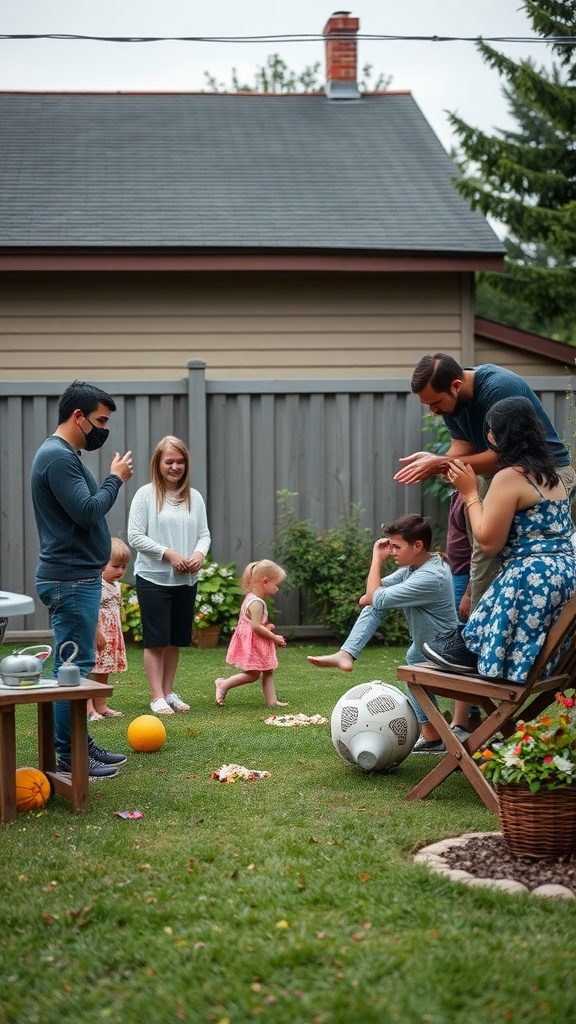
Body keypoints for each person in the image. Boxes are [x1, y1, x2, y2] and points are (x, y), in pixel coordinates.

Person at [394, 354, 576, 609]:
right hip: (506, 470)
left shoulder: (499, 388)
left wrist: (444, 464)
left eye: (435, 402)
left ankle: (479, 618)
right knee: (479, 536)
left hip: (545, 471)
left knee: (487, 545)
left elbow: (503, 454)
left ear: (456, 386)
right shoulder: (452, 402)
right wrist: (438, 462)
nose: (433, 410)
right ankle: (485, 605)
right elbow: (462, 448)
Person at [423, 397, 576, 681]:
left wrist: (470, 493)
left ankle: (478, 654)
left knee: (461, 652)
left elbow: (488, 543)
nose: (488, 435)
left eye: (491, 430)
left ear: (500, 435)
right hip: (566, 576)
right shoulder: (553, 476)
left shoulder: (510, 477)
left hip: (529, 580)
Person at [31, 380, 133, 779]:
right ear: (78, 416)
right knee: (70, 671)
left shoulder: (63, 455)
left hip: (76, 578)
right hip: (70, 579)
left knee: (73, 667)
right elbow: (88, 512)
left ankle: (78, 744)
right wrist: (115, 479)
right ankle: (70, 755)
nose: (103, 429)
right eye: (100, 421)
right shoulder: (57, 458)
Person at [309, 514, 458, 754]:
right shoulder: (414, 568)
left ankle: (433, 736)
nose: (392, 552)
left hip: (444, 652)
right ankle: (347, 653)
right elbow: (369, 597)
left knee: (379, 605)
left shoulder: (431, 576)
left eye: (397, 546)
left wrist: (376, 559)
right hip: (426, 648)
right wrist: (374, 596)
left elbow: (373, 596)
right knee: (378, 607)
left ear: (418, 545)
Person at [127, 435, 211, 716]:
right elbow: (135, 536)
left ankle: (168, 691)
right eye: (169, 461)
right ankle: (156, 696)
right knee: (156, 639)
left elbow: (204, 534)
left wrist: (198, 554)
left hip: (186, 581)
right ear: (158, 464)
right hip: (153, 579)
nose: (175, 467)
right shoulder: (145, 495)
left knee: (175, 639)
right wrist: (169, 554)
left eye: (180, 461)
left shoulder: (194, 497)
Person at [215, 559, 288, 707]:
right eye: (277, 585)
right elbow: (255, 627)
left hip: (257, 641)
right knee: (254, 674)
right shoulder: (256, 603)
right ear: (265, 581)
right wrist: (274, 637)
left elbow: (255, 623)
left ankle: (272, 701)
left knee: (268, 671)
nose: (277, 589)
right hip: (255, 643)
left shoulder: (251, 598)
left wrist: (267, 627)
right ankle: (224, 684)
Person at [87, 537, 131, 721]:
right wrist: (97, 632)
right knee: (90, 669)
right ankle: (88, 708)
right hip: (98, 634)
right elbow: (92, 610)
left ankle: (101, 705)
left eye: (124, 567)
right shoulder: (95, 585)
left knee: (104, 670)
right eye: (116, 566)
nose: (120, 571)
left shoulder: (115, 585)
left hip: (111, 634)